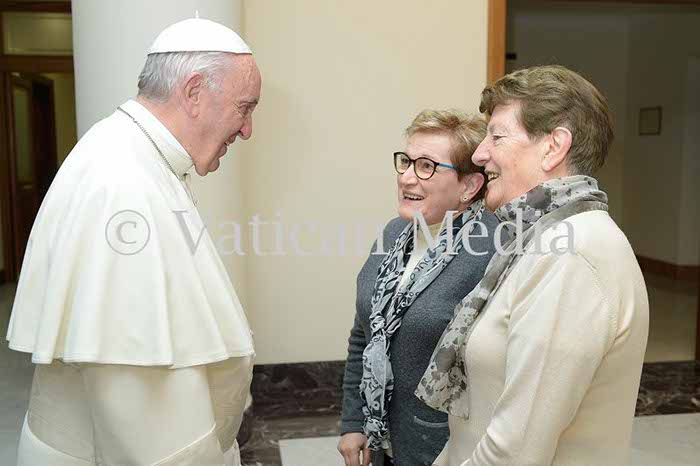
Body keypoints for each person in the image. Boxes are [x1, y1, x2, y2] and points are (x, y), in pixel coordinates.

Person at [7, 17, 261, 466]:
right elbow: (132, 402)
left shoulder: (133, 155)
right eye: (244, 108)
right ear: (194, 91)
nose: (246, 130)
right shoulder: (121, 183)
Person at [416, 65, 649, 466]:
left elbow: (517, 451)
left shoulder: (572, 255)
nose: (479, 154)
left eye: (497, 136)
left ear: (553, 147)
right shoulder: (536, 238)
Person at [339, 110, 501, 466]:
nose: (407, 178)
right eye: (406, 162)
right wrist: (354, 421)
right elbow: (364, 334)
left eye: (427, 166)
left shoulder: (494, 251)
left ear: (469, 186)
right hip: (381, 441)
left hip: (445, 450)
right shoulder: (394, 233)